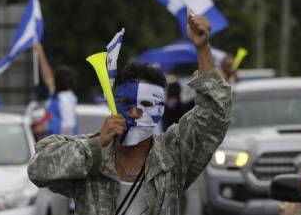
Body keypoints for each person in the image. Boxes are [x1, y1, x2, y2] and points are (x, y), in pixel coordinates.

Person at [27, 13, 232, 215]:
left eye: (146, 104)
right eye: (126, 103)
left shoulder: (173, 155)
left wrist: (202, 48)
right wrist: (96, 144)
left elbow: (214, 114)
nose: (134, 112)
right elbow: (38, 170)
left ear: (160, 109)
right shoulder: (91, 158)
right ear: (113, 104)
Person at [30, 43, 79, 137]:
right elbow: (48, 78)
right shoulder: (58, 96)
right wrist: (40, 52)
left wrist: (43, 129)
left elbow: (68, 126)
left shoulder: (66, 98)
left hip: (62, 146)